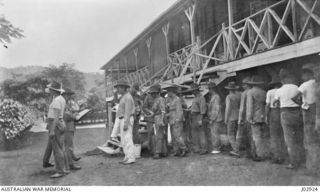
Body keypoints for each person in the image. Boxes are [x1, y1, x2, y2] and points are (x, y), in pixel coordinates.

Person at [274, 69, 305, 169]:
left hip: (285, 113)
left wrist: (281, 102)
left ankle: (293, 162)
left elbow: (275, 103)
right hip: (297, 112)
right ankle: (302, 160)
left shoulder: (279, 90)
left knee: (289, 139)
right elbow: (300, 98)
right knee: (299, 137)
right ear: (289, 78)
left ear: (282, 79)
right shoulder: (296, 87)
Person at [292, 66, 320, 173]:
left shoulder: (305, 84)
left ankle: (312, 167)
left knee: (310, 140)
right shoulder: (316, 84)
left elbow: (294, 97)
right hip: (317, 109)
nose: (302, 77)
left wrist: (302, 104)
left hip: (309, 111)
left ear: (307, 74)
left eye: (303, 74)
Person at [42, 81, 68, 178]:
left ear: (54, 90)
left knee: (57, 149)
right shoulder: (60, 98)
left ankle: (60, 171)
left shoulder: (57, 100)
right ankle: (65, 169)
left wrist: (52, 130)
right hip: (57, 124)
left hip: (56, 124)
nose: (49, 90)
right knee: (60, 148)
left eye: (50, 89)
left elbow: (56, 117)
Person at [265, 76, 287, 164]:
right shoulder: (282, 90)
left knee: (274, 135)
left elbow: (267, 105)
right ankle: (284, 155)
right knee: (282, 134)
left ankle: (276, 156)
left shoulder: (270, 92)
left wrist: (266, 115)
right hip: (282, 111)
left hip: (273, 112)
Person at [246, 75, 268, 160]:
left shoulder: (250, 92)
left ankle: (259, 154)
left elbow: (250, 106)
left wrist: (249, 117)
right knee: (262, 136)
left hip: (254, 117)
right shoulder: (264, 92)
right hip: (263, 116)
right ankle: (262, 153)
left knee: (256, 136)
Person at [235, 77, 257, 159]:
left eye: (244, 84)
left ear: (246, 85)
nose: (243, 86)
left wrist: (240, 118)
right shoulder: (253, 91)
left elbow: (242, 108)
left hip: (246, 117)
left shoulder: (244, 93)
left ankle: (240, 151)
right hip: (254, 116)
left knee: (243, 135)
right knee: (252, 135)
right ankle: (253, 152)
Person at [115, 80, 136, 165]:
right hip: (122, 119)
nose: (118, 90)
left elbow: (127, 111)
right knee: (123, 140)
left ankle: (131, 157)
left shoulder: (128, 97)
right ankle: (127, 156)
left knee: (128, 138)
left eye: (119, 88)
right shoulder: (123, 97)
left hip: (126, 118)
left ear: (124, 88)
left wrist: (126, 123)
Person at [143, 84, 167, 159]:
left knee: (160, 135)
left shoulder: (161, 99)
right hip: (150, 118)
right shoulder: (147, 98)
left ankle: (160, 152)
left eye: (155, 93)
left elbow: (163, 111)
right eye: (152, 93)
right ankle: (152, 150)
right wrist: (149, 112)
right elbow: (144, 107)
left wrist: (162, 120)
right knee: (151, 135)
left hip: (159, 118)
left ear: (158, 92)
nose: (153, 94)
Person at [165, 85, 187, 157]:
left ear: (172, 92)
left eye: (168, 92)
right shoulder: (172, 100)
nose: (167, 93)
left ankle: (184, 149)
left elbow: (179, 111)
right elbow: (172, 111)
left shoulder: (177, 99)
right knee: (174, 137)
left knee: (178, 136)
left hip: (176, 120)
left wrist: (177, 120)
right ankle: (176, 150)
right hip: (172, 120)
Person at [62, 88, 81, 170]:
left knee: (69, 145)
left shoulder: (67, 103)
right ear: (63, 95)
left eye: (69, 95)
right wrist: (74, 116)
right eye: (67, 95)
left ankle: (69, 162)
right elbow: (66, 116)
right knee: (68, 146)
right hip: (67, 126)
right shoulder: (63, 103)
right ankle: (70, 164)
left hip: (69, 126)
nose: (69, 97)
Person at [189, 83, 207, 155]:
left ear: (197, 90)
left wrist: (200, 120)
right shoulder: (195, 98)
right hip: (194, 117)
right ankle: (197, 148)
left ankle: (204, 149)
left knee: (201, 133)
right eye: (192, 91)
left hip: (198, 116)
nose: (192, 92)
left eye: (193, 90)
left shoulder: (201, 98)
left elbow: (203, 110)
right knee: (195, 134)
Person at [224, 82, 241, 156]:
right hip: (238, 116)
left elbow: (228, 108)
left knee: (230, 133)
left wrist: (226, 118)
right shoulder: (238, 96)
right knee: (236, 133)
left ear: (229, 89)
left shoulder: (228, 97)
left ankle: (235, 150)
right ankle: (238, 147)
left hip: (231, 117)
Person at [207, 82, 223, 154]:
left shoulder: (216, 97)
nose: (209, 91)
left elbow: (216, 109)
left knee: (215, 133)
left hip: (216, 118)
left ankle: (216, 148)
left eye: (209, 89)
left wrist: (212, 119)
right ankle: (216, 147)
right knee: (214, 133)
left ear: (212, 89)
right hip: (215, 118)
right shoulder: (214, 97)